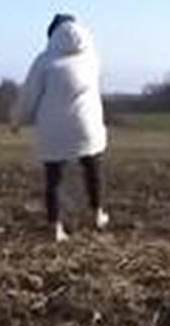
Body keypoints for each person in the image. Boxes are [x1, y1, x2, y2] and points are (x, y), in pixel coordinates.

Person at [10, 13, 109, 242]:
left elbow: (29, 96)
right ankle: (97, 214)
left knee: (54, 180)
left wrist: (17, 120)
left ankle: (56, 228)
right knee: (93, 171)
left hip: (53, 129)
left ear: (52, 33)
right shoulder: (92, 58)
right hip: (87, 127)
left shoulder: (45, 60)